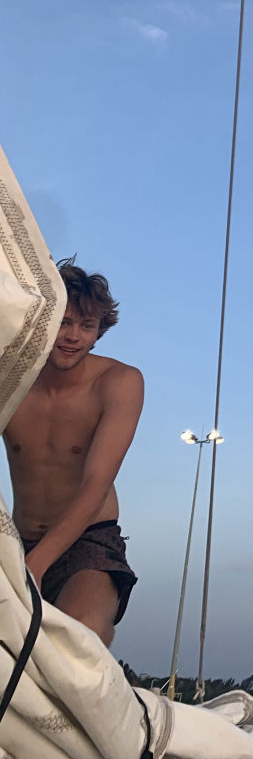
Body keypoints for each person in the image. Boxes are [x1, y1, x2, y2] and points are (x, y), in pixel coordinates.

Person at [2, 261, 143, 647]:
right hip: (16, 541)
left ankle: (100, 636)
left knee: (77, 638)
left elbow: (96, 483)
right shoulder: (10, 381)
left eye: (86, 325)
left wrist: (36, 564)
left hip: (89, 541)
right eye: (63, 322)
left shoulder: (119, 382)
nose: (73, 336)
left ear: (99, 331)